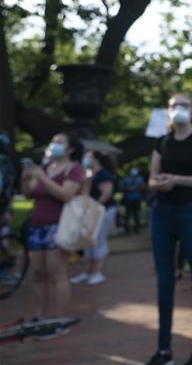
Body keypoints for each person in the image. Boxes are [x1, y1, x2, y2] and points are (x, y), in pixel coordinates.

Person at [146, 94, 192, 365]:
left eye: (184, 105)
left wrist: (177, 179)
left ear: (191, 110)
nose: (178, 109)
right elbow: (152, 179)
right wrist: (161, 183)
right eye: (173, 105)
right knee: (164, 280)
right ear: (167, 112)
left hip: (191, 211)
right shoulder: (162, 141)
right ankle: (163, 350)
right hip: (162, 214)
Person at [21, 132, 85, 339]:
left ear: (71, 149)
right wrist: (27, 179)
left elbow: (66, 195)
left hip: (58, 226)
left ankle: (59, 320)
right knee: (38, 274)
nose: (53, 145)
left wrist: (42, 178)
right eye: (53, 141)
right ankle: (39, 317)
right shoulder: (46, 168)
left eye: (59, 142)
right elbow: (29, 194)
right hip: (37, 225)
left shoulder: (74, 170)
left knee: (57, 274)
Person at [70, 151, 118, 286]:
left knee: (98, 241)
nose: (85, 159)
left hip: (103, 212)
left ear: (96, 159)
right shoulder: (88, 174)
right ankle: (88, 271)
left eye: (88, 157)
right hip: (89, 212)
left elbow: (106, 193)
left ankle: (98, 272)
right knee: (88, 242)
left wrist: (95, 208)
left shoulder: (104, 175)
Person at [121, 166, 146, 234]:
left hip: (137, 199)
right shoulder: (126, 178)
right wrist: (128, 189)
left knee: (136, 214)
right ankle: (127, 230)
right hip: (128, 199)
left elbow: (143, 187)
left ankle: (137, 229)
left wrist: (137, 188)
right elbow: (122, 187)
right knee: (127, 214)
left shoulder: (140, 178)